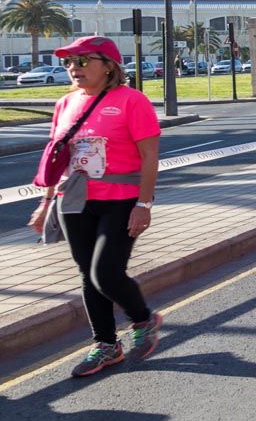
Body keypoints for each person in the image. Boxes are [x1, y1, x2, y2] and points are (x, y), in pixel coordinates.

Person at [27, 36, 163, 377]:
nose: (75, 68)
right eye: (69, 63)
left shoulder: (133, 101)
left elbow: (149, 157)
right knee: (87, 274)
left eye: (84, 61)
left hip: (120, 200)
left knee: (105, 272)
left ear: (109, 66)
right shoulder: (65, 103)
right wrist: (45, 204)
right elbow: (58, 159)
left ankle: (143, 319)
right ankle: (106, 345)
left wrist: (144, 204)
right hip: (72, 200)